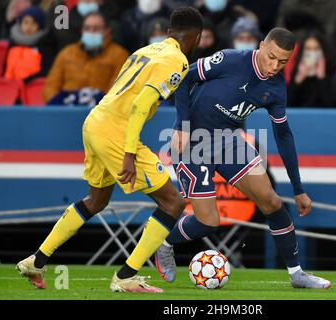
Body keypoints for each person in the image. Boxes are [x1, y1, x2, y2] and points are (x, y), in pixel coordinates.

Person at [16, 6, 203, 293]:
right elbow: (141, 105)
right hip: (115, 131)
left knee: (96, 200)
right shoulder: (177, 61)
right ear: (198, 38)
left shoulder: (146, 50)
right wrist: (128, 154)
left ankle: (36, 261)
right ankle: (126, 276)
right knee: (173, 203)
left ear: (168, 32)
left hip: (94, 121)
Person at [155, 28, 332, 289]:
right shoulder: (229, 59)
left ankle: (297, 274)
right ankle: (164, 243)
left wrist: (298, 189)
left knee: (271, 201)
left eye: (282, 62)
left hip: (229, 142)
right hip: (193, 141)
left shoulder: (276, 88)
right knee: (208, 222)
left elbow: (283, 135)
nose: (274, 66)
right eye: (271, 57)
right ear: (261, 45)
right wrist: (181, 125)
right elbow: (183, 78)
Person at [43, 12, 129, 105]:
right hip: (66, 110)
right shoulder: (67, 53)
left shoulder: (119, 55)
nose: (91, 32)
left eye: (96, 29)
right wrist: (57, 104)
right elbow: (51, 86)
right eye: (87, 28)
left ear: (107, 31)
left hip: (100, 112)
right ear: (82, 31)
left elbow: (118, 90)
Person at [4, 6, 56, 82]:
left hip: (34, 88)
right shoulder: (13, 44)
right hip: (10, 88)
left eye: (34, 23)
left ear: (40, 26)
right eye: (26, 22)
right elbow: (5, 68)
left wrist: (28, 81)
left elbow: (48, 70)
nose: (29, 27)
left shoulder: (45, 45)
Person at [288, 31, 336, 107]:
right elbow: (287, 103)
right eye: (308, 49)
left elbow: (332, 104)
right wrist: (297, 81)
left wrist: (322, 79)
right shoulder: (297, 70)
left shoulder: (331, 70)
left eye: (316, 49)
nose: (312, 52)